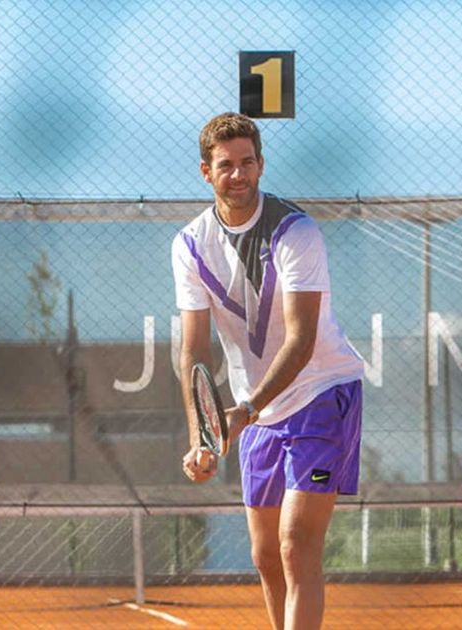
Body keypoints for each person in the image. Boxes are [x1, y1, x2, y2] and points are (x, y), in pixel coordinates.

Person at [172, 112, 364, 630]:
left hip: (321, 394)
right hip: (256, 411)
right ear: (206, 172)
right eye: (226, 165)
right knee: (264, 555)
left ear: (261, 165)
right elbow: (193, 350)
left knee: (296, 544)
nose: (238, 174)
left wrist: (245, 410)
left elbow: (301, 341)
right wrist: (202, 436)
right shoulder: (189, 245)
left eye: (247, 162)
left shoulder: (296, 232)